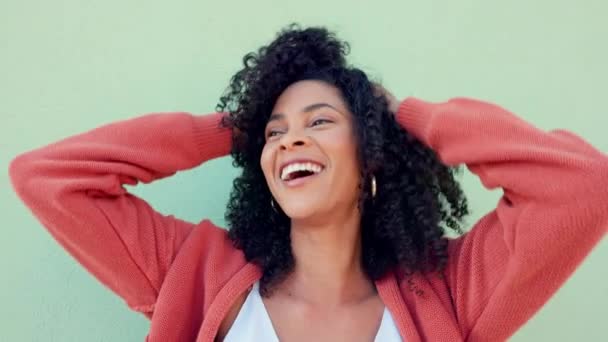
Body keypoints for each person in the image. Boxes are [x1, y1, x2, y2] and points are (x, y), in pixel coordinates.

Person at [8, 23, 608, 342]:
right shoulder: (196, 273)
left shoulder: (448, 296)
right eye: (274, 133)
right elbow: (47, 178)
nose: (290, 140)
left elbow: (582, 188)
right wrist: (231, 128)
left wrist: (407, 119)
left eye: (320, 122)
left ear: (369, 156)